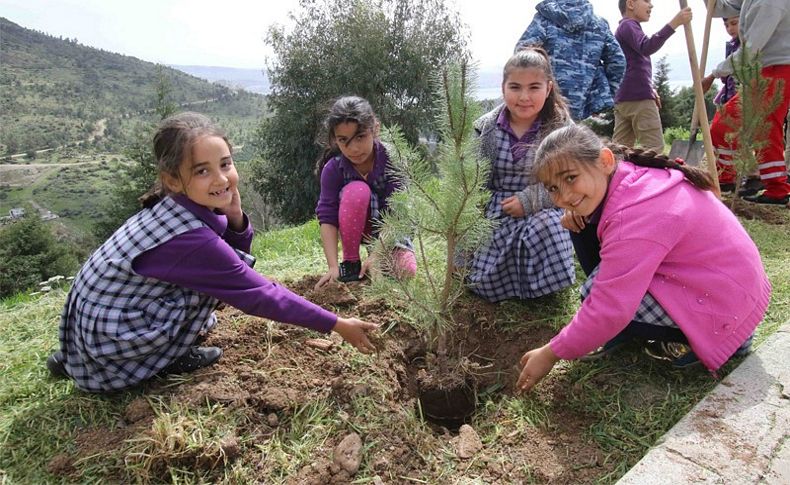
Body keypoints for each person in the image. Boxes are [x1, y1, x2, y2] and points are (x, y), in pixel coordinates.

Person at [47, 112, 379, 393]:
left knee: (211, 281)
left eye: (225, 164)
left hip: (93, 323)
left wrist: (235, 219)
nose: (221, 178)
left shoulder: (173, 206)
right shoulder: (190, 240)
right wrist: (337, 324)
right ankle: (160, 360)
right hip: (111, 335)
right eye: (202, 170)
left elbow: (227, 260)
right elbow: (257, 292)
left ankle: (81, 357)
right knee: (208, 289)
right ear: (173, 180)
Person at [515, 125, 771, 393]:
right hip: (733, 290)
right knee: (581, 223)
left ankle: (705, 342)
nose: (564, 196)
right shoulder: (634, 180)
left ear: (605, 161)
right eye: (553, 187)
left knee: (594, 293)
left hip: (726, 312)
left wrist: (551, 353)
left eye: (570, 178)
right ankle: (638, 332)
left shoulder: (633, 217)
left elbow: (608, 310)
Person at [465, 47, 575, 303]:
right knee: (483, 282)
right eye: (515, 87)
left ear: (548, 89)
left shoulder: (561, 128)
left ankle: (545, 294)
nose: (524, 97)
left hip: (546, 208)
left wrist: (530, 201)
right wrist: (461, 254)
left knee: (550, 227)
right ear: (503, 87)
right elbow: (468, 189)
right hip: (493, 213)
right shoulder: (484, 129)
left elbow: (572, 180)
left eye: (534, 88)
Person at [315, 96, 417, 289]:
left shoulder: (393, 159)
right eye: (344, 141)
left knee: (406, 269)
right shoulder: (333, 169)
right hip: (355, 228)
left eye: (360, 137)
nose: (353, 148)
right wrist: (333, 267)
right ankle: (351, 264)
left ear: (375, 129)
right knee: (357, 191)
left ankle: (373, 263)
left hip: (391, 232)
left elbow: (401, 214)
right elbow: (327, 217)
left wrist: (377, 255)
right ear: (335, 140)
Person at [701, 0, 790, 205]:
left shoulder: (770, 3)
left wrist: (714, 74)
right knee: (746, 127)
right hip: (765, 70)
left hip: (779, 69)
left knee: (762, 129)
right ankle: (729, 178)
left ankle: (777, 189)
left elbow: (750, 50)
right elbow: (720, 8)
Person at [514, 0, 626, 121]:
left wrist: (533, 88)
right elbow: (618, 62)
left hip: (548, 103)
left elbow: (523, 54)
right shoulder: (600, 25)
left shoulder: (545, 19)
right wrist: (605, 95)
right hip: (587, 109)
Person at [612, 0, 693, 153]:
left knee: (619, 151)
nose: (651, 5)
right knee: (653, 149)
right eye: (646, 1)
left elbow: (632, 66)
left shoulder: (624, 28)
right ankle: (649, 177)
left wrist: (649, 88)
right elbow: (647, 46)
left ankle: (618, 176)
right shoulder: (628, 25)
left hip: (624, 98)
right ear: (630, 4)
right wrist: (675, 23)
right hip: (639, 99)